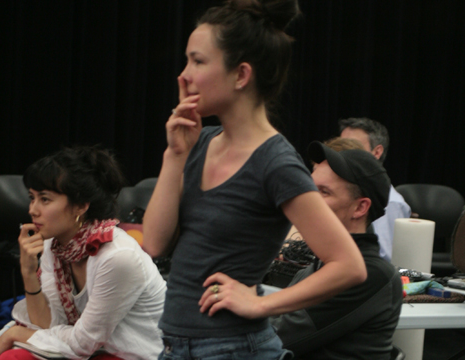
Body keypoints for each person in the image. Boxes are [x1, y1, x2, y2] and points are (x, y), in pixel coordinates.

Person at [143, 1, 367, 359]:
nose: (184, 75)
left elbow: (349, 266)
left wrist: (264, 303)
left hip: (233, 349)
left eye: (198, 61)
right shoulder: (199, 142)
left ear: (241, 75)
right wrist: (175, 156)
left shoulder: (275, 163)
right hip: (176, 346)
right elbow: (153, 243)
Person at [0, 147, 166, 360]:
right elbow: (46, 326)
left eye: (44, 199)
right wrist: (28, 272)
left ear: (81, 206)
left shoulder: (118, 257)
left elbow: (84, 343)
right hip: (91, 351)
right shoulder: (54, 245)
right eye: (32, 197)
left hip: (134, 356)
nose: (33, 209)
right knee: (13, 358)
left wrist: (19, 332)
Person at [271, 140, 403, 360]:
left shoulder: (368, 274)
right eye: (308, 188)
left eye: (323, 192)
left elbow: (276, 339)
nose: (307, 199)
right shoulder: (320, 264)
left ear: (360, 208)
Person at [339, 117, 411, 262]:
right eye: (341, 145)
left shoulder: (390, 203)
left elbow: (386, 259)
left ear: (376, 152)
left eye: (352, 147)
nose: (343, 153)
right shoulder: (343, 190)